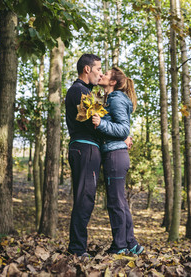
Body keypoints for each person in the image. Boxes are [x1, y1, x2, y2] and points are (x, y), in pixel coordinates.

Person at [91, 67, 144, 255]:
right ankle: (132, 244)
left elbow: (123, 130)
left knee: (115, 202)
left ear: (113, 82)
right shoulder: (110, 99)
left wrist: (100, 123)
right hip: (115, 154)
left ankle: (120, 245)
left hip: (115, 156)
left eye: (105, 74)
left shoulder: (116, 99)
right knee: (119, 200)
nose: (102, 75)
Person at [65, 54, 103, 257]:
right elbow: (93, 123)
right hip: (85, 148)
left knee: (84, 197)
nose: (101, 73)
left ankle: (77, 247)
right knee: (84, 198)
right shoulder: (79, 91)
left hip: (85, 149)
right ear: (87, 69)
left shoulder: (84, 92)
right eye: (98, 69)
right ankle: (77, 249)